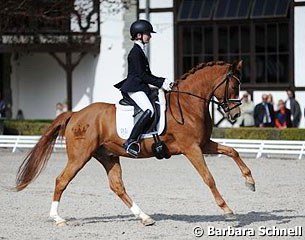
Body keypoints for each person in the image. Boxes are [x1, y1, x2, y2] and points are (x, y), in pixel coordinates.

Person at [114, 19, 173, 157]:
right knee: (149, 110)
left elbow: (147, 75)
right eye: (148, 34)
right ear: (139, 35)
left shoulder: (140, 50)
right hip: (134, 88)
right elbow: (141, 75)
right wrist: (160, 83)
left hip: (141, 86)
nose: (150, 36)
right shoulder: (135, 52)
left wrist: (162, 81)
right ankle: (130, 141)